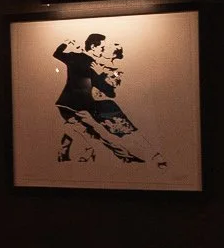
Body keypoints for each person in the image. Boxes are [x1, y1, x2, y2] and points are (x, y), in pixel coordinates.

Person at [52, 32, 153, 165]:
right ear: (93, 47)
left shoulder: (81, 59)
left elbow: (57, 54)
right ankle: (123, 156)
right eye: (102, 48)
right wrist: (102, 74)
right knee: (96, 133)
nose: (104, 50)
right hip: (76, 106)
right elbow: (109, 92)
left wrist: (66, 43)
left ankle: (68, 155)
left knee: (84, 131)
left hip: (69, 104)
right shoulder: (87, 62)